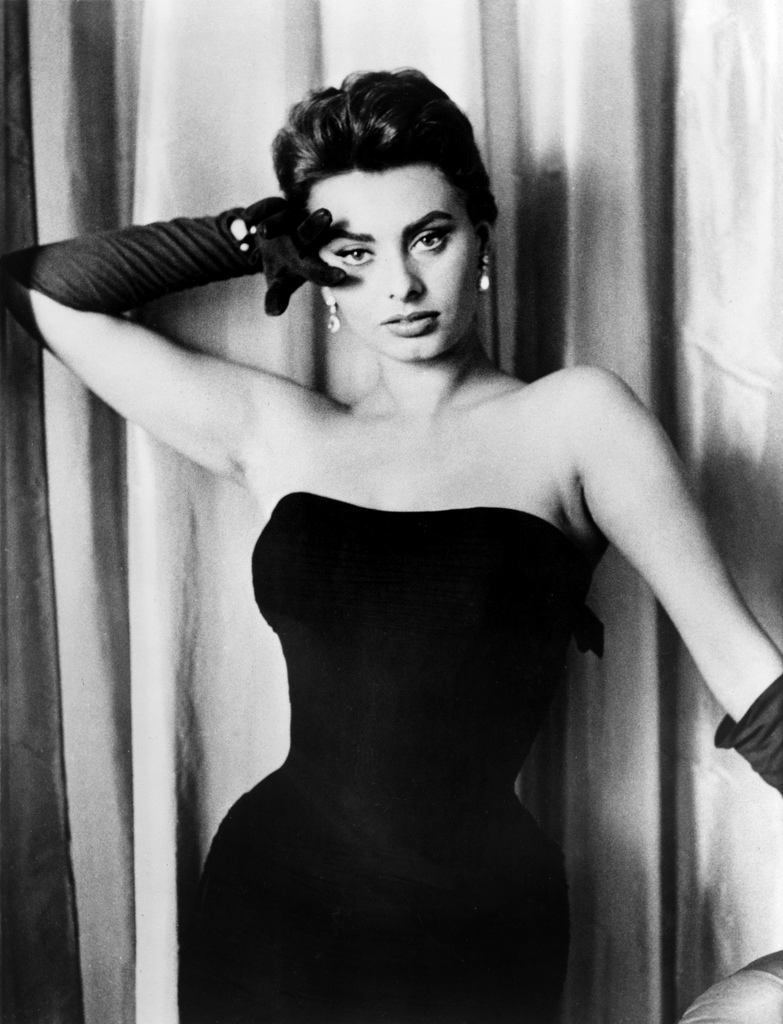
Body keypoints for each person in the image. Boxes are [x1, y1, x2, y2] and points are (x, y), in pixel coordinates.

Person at [1, 69, 781, 1024]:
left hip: (476, 925)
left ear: (480, 238)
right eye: (354, 253)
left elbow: (745, 669)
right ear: (318, 273)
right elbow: (42, 288)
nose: (401, 285)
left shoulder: (576, 419)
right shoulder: (282, 434)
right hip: (266, 910)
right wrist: (243, 237)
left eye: (428, 237)